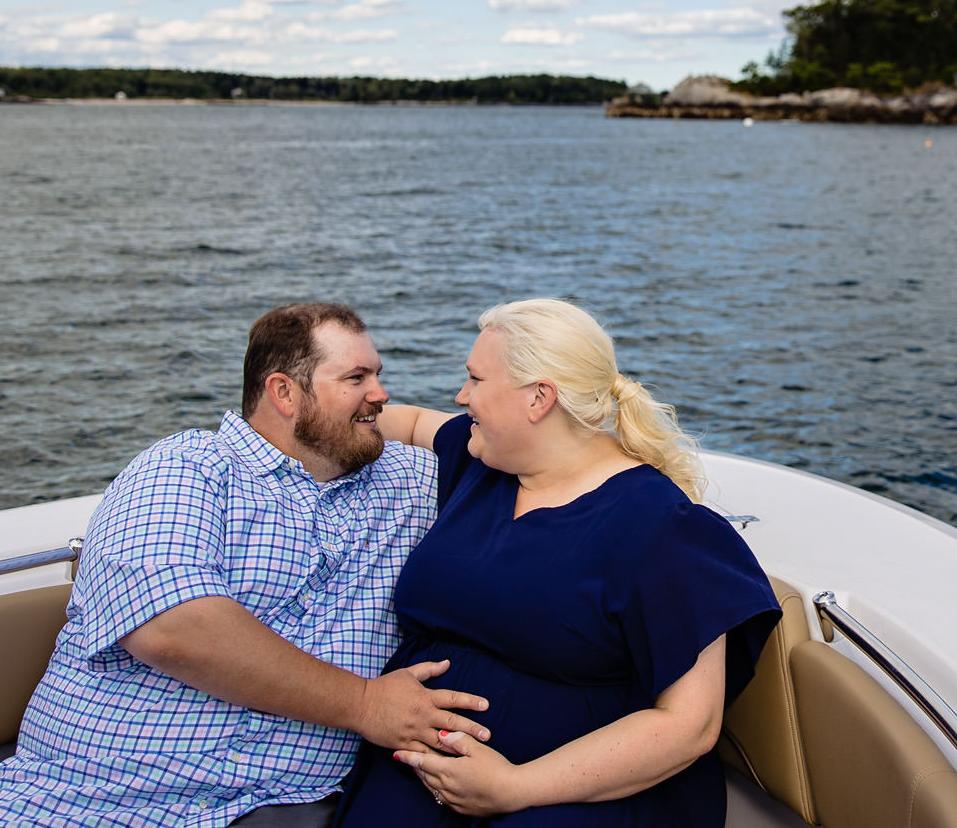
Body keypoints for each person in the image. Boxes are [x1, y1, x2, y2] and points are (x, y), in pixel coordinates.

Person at [0, 303, 493, 828]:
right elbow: (174, 628)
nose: (380, 394)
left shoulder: (410, 479)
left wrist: (424, 423)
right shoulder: (187, 468)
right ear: (283, 393)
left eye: (379, 375)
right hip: (95, 799)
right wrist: (365, 704)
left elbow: (532, 449)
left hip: (295, 803)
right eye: (356, 377)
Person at [332, 299, 780, 828]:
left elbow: (690, 726)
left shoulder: (664, 528)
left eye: (475, 379)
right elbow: (400, 421)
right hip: (421, 770)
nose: (461, 396)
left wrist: (515, 787)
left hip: (575, 793)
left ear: (539, 398)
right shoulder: (479, 459)